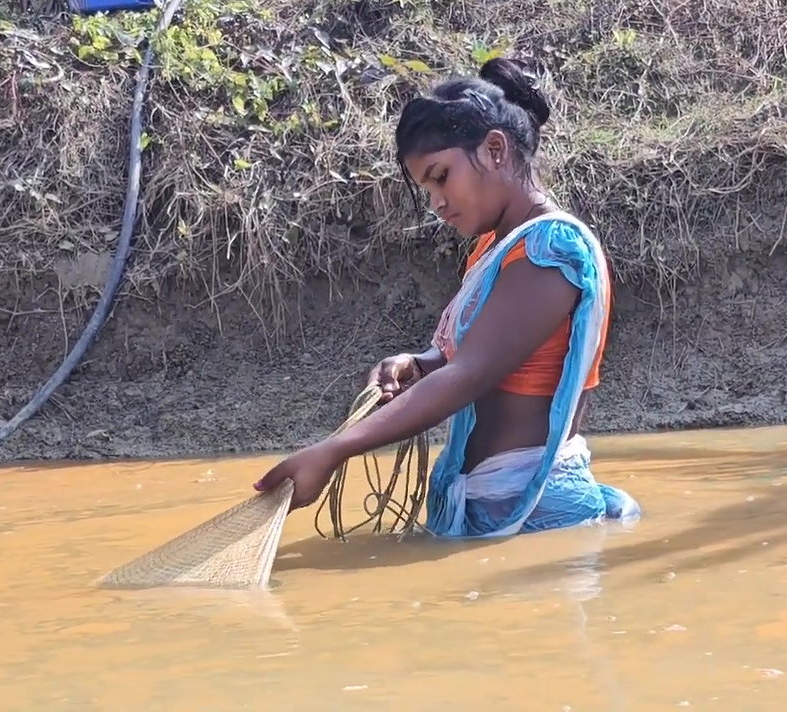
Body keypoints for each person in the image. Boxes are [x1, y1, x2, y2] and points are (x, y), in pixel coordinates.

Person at [253, 57, 639, 538]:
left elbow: (469, 375)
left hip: (534, 511)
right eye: (425, 187)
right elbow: (467, 359)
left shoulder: (550, 248)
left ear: (495, 150)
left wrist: (335, 450)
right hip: (487, 502)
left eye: (440, 176)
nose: (435, 202)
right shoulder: (496, 248)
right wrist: (420, 363)